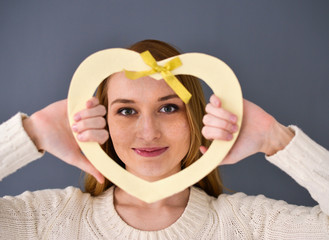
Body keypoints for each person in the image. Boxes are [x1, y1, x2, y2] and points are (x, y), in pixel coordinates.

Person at [0, 39, 328, 239]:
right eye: (126, 111)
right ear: (103, 122)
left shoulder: (252, 225)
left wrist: (276, 139)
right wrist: (33, 133)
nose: (148, 132)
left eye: (169, 107)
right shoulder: (47, 220)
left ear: (195, 118)